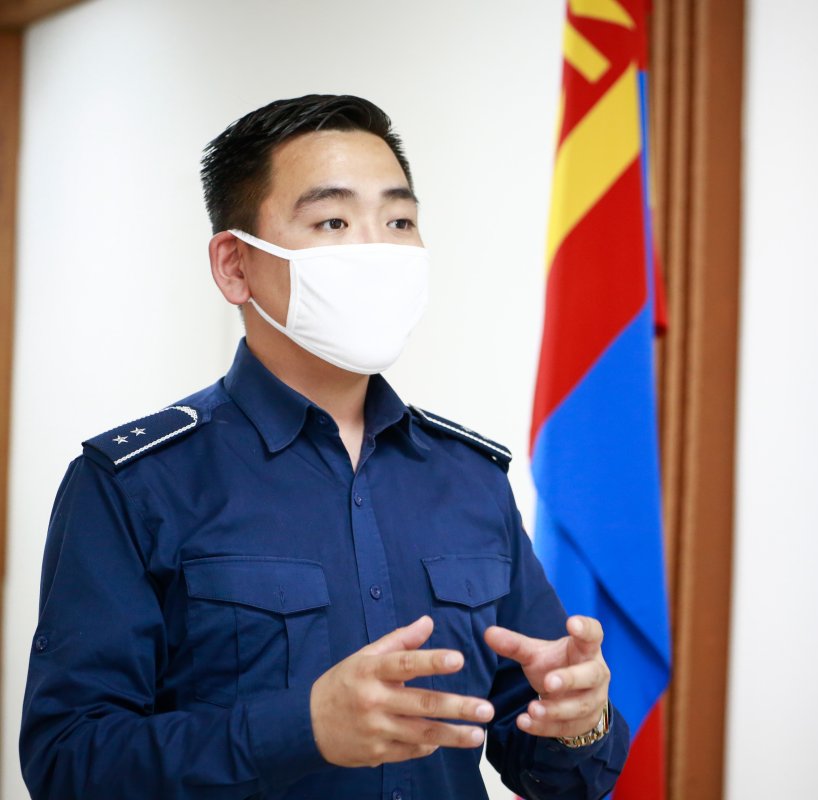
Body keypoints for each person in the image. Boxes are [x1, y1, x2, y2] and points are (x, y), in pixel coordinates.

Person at [19, 94, 628, 800]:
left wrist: (579, 720)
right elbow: (69, 763)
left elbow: (556, 766)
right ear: (235, 265)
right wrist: (300, 729)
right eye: (333, 221)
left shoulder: (469, 478)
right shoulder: (133, 485)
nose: (377, 250)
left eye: (399, 221)